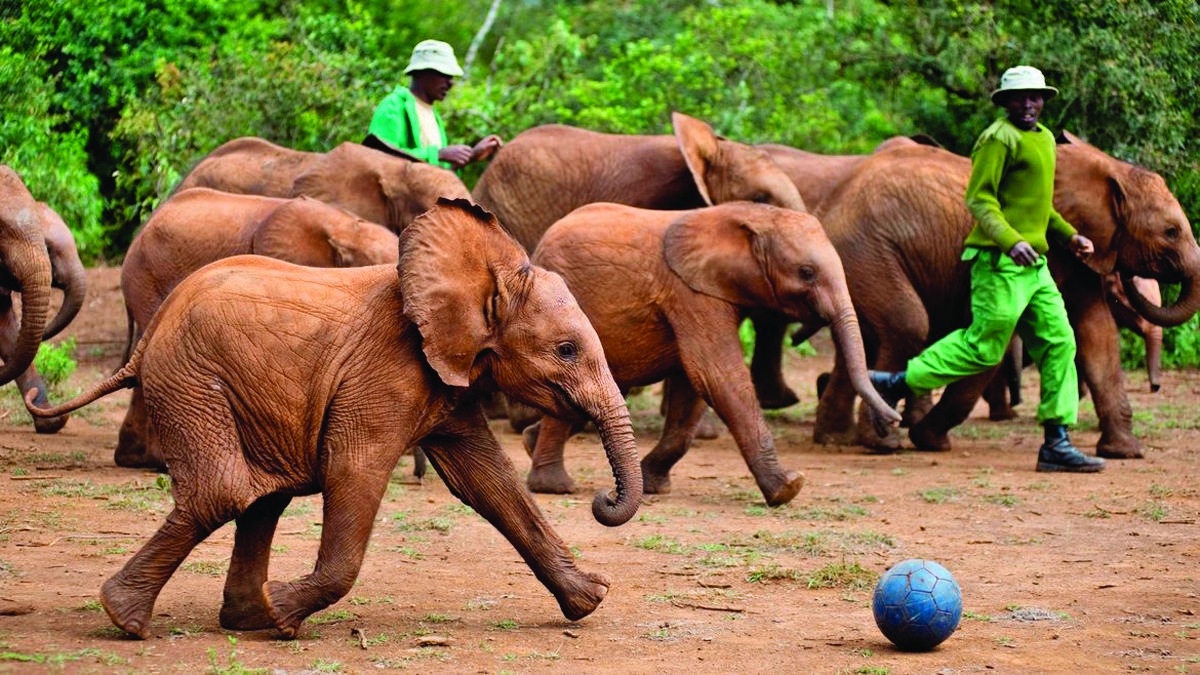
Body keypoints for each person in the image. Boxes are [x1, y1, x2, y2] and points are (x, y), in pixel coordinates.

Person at [869, 65, 1105, 473]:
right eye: (1019, 97)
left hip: (1036, 266)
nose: (1028, 104)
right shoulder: (997, 139)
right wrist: (1009, 241)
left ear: (1044, 99)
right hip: (1000, 263)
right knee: (984, 347)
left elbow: (1038, 205)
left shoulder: (1046, 139)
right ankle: (895, 383)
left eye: (1034, 96)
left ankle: (1056, 441)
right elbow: (980, 201)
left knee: (1060, 342)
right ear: (1005, 102)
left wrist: (1069, 237)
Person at [364, 39, 502, 170]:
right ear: (421, 72)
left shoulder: (433, 115)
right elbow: (378, 158)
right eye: (444, 75)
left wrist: (471, 155)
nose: (450, 83)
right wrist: (438, 154)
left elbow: (436, 173)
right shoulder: (393, 106)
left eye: (451, 77)